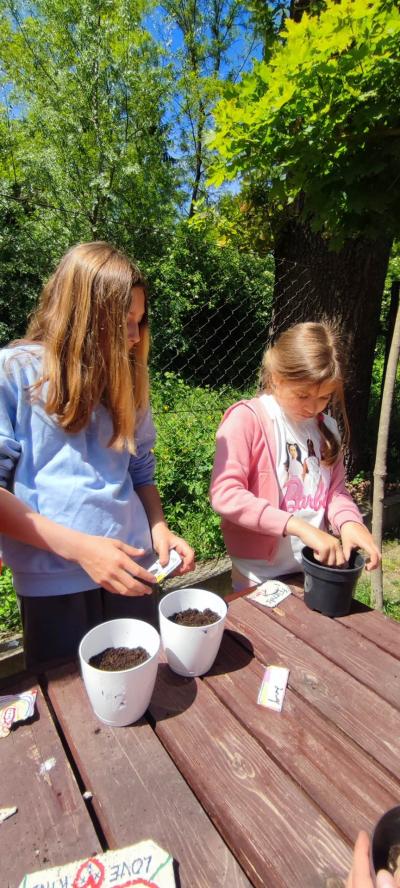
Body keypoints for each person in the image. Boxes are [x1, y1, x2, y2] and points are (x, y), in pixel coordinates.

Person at [0, 242, 194, 667]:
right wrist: (82, 550)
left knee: (144, 689)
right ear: (83, 314)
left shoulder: (126, 381)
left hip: (134, 570)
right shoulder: (14, 373)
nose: (134, 336)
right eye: (124, 321)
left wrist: (159, 529)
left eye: (140, 322)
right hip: (54, 584)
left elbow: (141, 469)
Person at [210, 322, 380, 591]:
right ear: (277, 377)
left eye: (324, 397)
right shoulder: (248, 420)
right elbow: (226, 494)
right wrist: (297, 526)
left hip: (311, 570)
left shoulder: (327, 429)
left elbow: (334, 492)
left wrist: (349, 522)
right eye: (303, 395)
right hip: (258, 575)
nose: (313, 407)